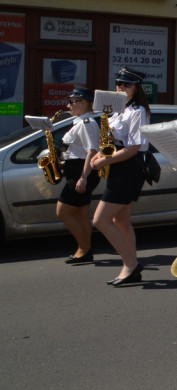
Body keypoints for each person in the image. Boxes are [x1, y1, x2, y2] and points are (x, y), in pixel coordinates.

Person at [89, 67, 151, 286]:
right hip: (118, 165)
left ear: (136, 88)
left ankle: (131, 264)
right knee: (121, 221)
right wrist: (101, 153)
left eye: (126, 84)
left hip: (129, 169)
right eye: (119, 83)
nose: (121, 87)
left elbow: (134, 147)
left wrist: (105, 160)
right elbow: (113, 141)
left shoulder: (138, 111)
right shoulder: (119, 109)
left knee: (100, 220)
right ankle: (130, 266)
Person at [57, 86, 101, 263]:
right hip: (76, 169)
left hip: (82, 173)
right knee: (81, 214)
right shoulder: (79, 122)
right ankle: (86, 251)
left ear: (84, 103)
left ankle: (83, 249)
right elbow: (79, 151)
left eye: (72, 102)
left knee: (63, 212)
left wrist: (83, 177)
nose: (69, 106)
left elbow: (92, 151)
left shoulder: (87, 124)